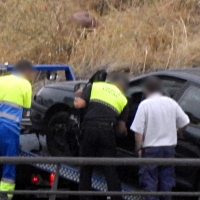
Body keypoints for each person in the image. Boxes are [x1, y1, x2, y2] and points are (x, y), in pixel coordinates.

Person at [130, 76, 190, 200]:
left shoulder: (144, 105)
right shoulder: (171, 103)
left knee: (149, 183)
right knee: (166, 183)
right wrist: (177, 131)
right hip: (169, 150)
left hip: (151, 150)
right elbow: (185, 121)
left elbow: (138, 131)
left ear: (147, 90)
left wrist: (139, 148)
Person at [74, 72, 129, 200]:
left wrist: (79, 98)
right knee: (110, 170)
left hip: (90, 130)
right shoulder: (124, 99)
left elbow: (79, 105)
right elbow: (121, 129)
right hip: (107, 132)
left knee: (86, 168)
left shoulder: (96, 86)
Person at [0, 60, 34, 200]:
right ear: (25, 71)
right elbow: (27, 109)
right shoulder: (25, 84)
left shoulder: (1, 79)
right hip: (9, 129)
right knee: (9, 162)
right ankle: (5, 195)